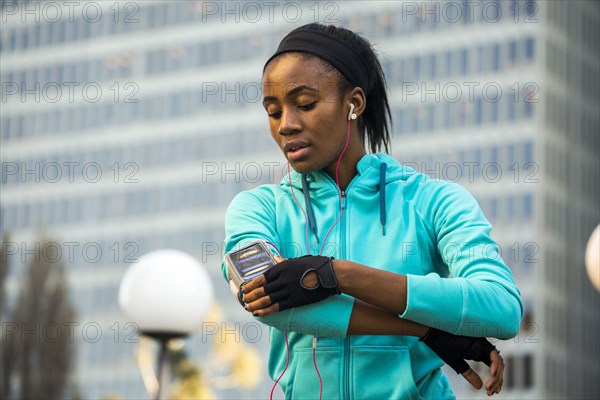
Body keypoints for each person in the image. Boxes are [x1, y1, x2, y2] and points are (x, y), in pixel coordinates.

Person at [222, 23, 523, 399]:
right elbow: (267, 302)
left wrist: (337, 275)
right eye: (273, 110)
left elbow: (502, 306)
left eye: (305, 103)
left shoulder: (435, 201)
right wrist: (425, 329)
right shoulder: (258, 209)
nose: (286, 125)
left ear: (354, 103)